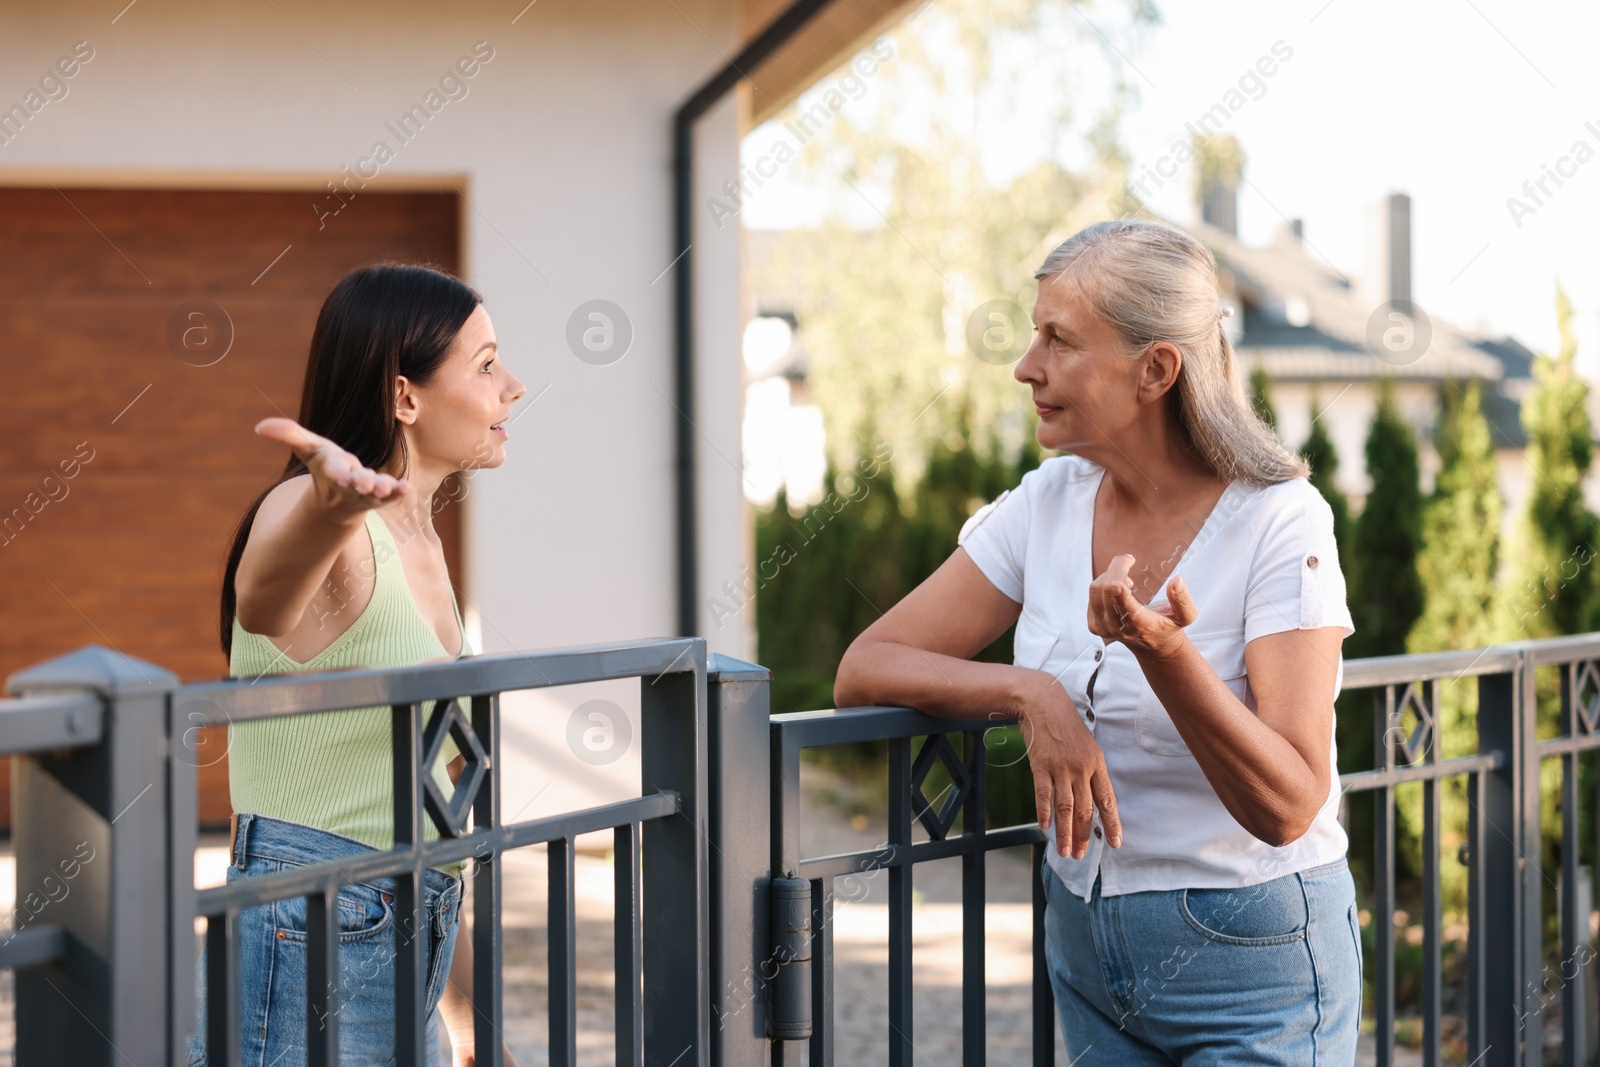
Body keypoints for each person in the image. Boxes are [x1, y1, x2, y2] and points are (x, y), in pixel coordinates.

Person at [834, 219, 1362, 1064]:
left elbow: (1290, 803)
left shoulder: (1280, 521)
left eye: (1060, 340)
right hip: (1085, 950)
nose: (1026, 365)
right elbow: (866, 668)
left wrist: (1165, 653)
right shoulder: (1048, 502)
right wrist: (1029, 694)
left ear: (1156, 369)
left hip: (1250, 965)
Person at [187, 263, 526, 1067]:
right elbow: (263, 601)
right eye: (485, 365)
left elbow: (429, 812)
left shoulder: (425, 545)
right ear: (405, 397)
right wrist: (326, 510)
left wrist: (475, 1020)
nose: (513, 386)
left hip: (413, 927)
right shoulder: (314, 519)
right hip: (312, 935)